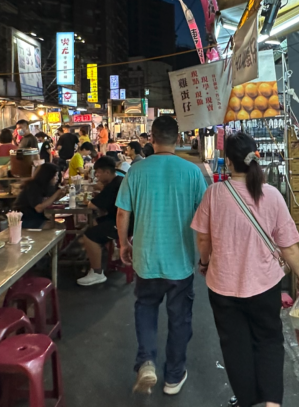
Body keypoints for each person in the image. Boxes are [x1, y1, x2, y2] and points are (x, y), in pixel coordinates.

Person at [192, 132, 299, 407]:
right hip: (265, 285)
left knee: (235, 346)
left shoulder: (214, 194)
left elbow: (203, 238)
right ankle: (271, 403)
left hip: (222, 285)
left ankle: (248, 401)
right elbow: (289, 245)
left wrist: (205, 263)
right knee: (268, 340)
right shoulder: (271, 195)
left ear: (228, 162)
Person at [117, 115, 207, 395]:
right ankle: (173, 376)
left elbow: (122, 212)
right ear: (178, 139)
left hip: (146, 259)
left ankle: (146, 361)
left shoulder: (136, 171)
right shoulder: (191, 172)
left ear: (151, 139)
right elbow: (205, 220)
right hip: (180, 262)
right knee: (179, 319)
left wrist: (123, 244)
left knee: (145, 308)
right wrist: (205, 257)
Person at [77, 157, 125, 286]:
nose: (96, 175)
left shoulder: (113, 185)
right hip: (122, 219)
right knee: (96, 222)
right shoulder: (118, 181)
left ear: (107, 172)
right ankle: (111, 249)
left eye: (98, 172)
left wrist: (90, 199)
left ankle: (97, 272)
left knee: (89, 236)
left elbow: (92, 205)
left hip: (123, 223)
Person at [13, 163, 67, 229]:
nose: (57, 178)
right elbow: (39, 208)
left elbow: (47, 202)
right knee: (58, 227)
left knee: (62, 225)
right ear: (48, 176)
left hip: (35, 218)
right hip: (24, 219)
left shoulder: (47, 187)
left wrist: (60, 195)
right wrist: (57, 194)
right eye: (55, 176)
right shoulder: (33, 187)